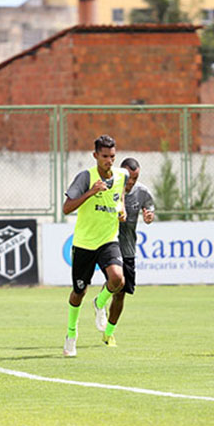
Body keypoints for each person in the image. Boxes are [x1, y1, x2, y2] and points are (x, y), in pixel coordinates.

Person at [61, 135, 129, 358]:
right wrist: (91, 192)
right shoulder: (85, 177)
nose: (109, 161)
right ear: (95, 156)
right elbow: (66, 208)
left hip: (108, 239)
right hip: (84, 244)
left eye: (112, 156)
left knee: (118, 279)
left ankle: (100, 303)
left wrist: (122, 209)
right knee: (78, 292)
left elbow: (120, 196)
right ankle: (71, 334)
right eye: (105, 157)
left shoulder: (121, 175)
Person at [97, 157, 155, 347]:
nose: (131, 182)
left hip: (128, 248)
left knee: (121, 294)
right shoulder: (106, 187)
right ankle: (99, 302)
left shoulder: (142, 193)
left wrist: (149, 216)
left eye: (135, 179)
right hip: (106, 244)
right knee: (116, 281)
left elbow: (150, 209)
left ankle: (108, 333)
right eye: (128, 178)